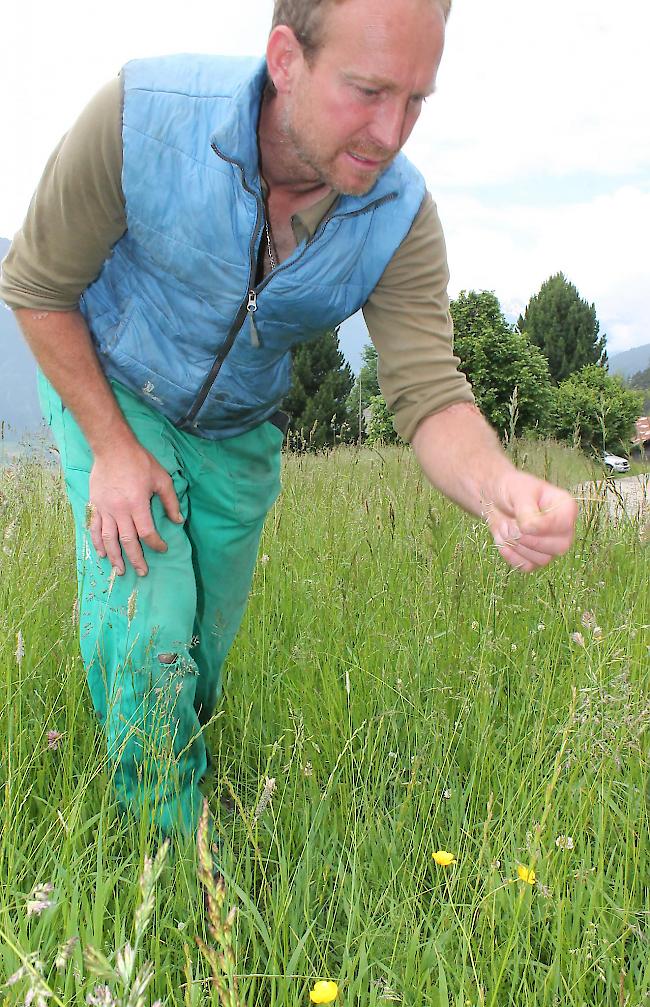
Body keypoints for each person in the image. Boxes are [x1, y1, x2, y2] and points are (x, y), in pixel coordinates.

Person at [0, 0, 578, 841]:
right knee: (151, 633)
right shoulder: (140, 119)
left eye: (417, 99)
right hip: (112, 381)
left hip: (240, 428)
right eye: (369, 90)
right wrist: (114, 451)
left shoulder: (398, 218)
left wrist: (499, 486)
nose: (392, 131)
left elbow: (428, 394)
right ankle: (179, 871)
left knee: (198, 650)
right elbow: (36, 286)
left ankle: (175, 757)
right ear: (284, 59)